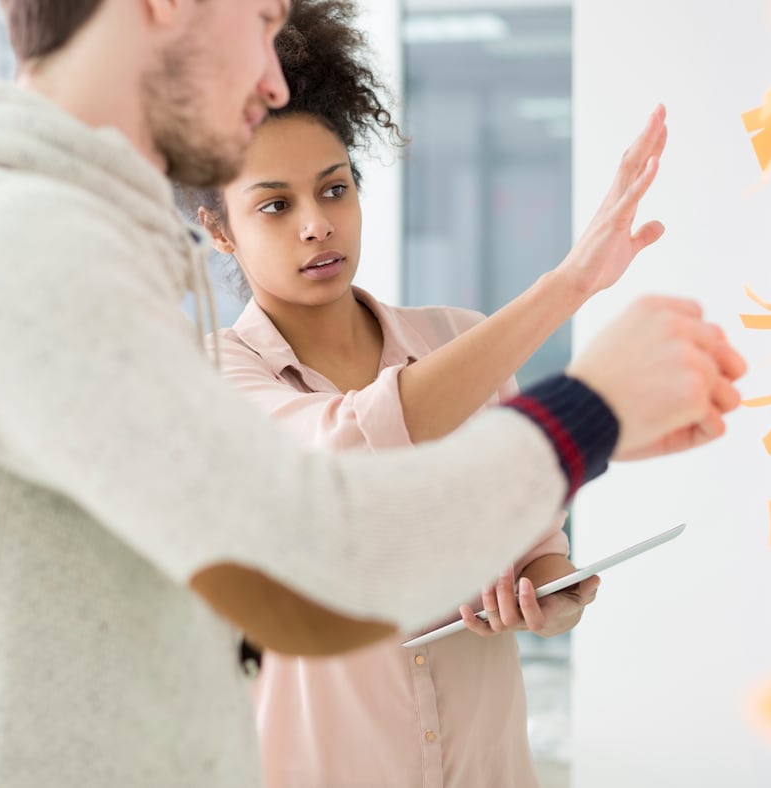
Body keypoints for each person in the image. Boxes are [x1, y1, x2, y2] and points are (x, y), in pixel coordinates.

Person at [0, 0, 746, 785]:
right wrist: (590, 407)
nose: (273, 77)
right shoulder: (17, 247)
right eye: (263, 20)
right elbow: (315, 556)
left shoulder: (74, 242)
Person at [185, 3, 626, 784]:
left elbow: (533, 536)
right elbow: (344, 449)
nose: (317, 225)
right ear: (219, 230)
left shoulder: (461, 338)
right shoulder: (216, 373)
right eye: (275, 206)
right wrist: (563, 290)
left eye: (334, 190)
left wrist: (547, 591)